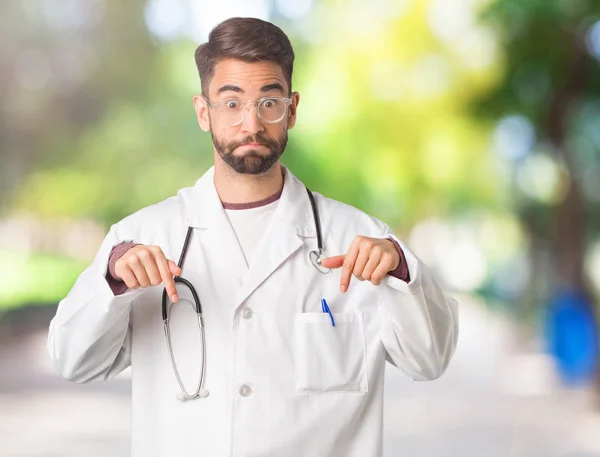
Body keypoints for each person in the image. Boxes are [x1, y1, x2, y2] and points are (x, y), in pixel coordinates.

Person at [47, 16, 459, 457]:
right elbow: (74, 361)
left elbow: (430, 359)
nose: (251, 124)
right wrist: (112, 281)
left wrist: (399, 268)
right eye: (231, 103)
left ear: (292, 109)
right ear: (203, 112)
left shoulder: (360, 240)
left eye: (269, 102)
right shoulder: (141, 238)